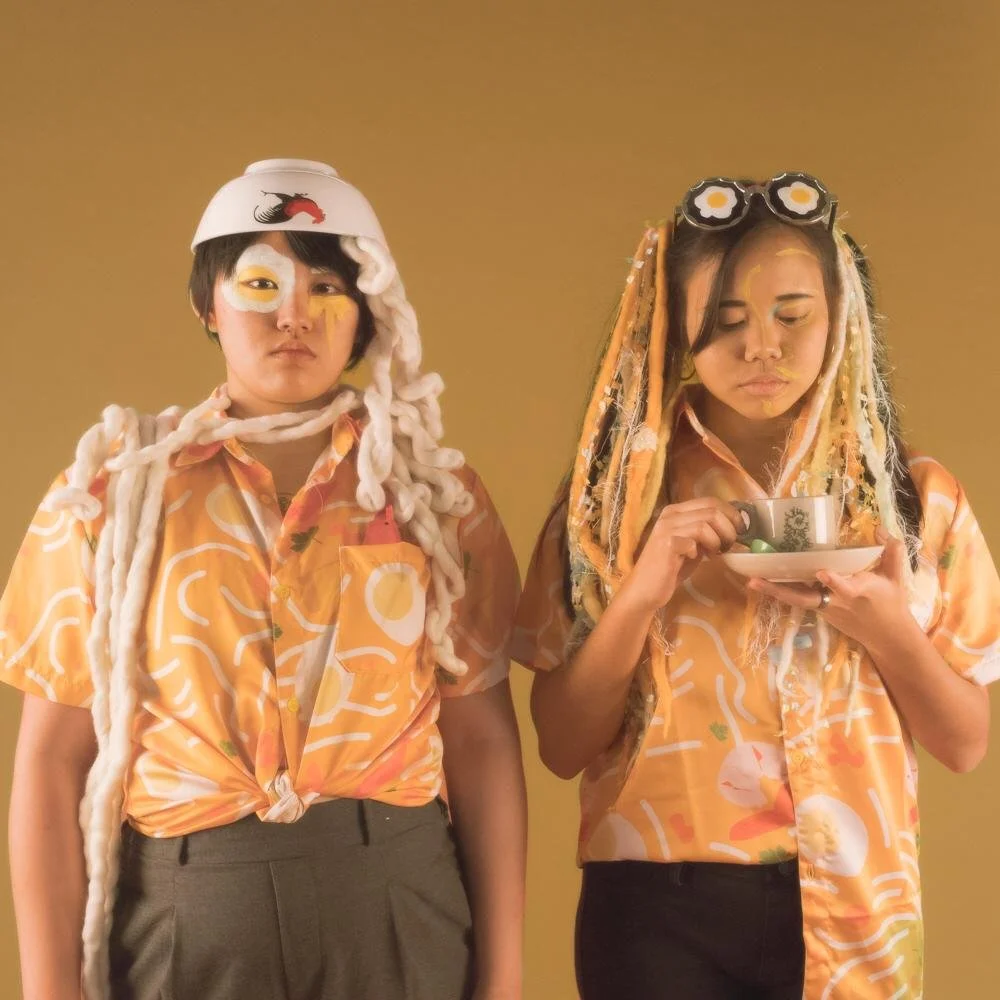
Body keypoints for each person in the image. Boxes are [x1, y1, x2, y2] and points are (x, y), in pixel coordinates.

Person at [2, 158, 526, 1000]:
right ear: (208, 305)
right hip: (181, 914)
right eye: (259, 283)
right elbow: (51, 760)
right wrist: (47, 989)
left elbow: (481, 742)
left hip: (395, 899)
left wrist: (503, 979)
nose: (294, 315)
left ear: (367, 313)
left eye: (327, 286)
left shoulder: (436, 497)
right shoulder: (111, 495)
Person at [513, 173, 999, 999]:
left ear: (839, 315)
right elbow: (560, 748)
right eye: (725, 323)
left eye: (792, 315)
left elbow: (964, 745)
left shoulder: (914, 498)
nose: (762, 347)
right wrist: (641, 590)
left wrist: (885, 625)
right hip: (654, 902)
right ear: (671, 333)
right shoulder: (610, 505)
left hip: (857, 897)